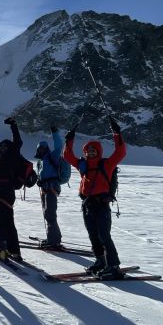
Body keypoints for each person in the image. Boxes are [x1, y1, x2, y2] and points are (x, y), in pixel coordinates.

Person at [63, 117, 126, 278]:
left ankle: (114, 266)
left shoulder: (107, 165)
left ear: (98, 151)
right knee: (93, 236)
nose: (90, 153)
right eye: (88, 151)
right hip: (87, 205)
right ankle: (100, 261)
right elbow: (67, 156)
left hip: (102, 205)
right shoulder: (83, 166)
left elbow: (120, 152)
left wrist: (116, 133)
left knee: (104, 236)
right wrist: (69, 139)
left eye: (93, 150)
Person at [0, 117, 23, 261]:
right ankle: (14, 251)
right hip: (4, 193)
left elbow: (18, 142)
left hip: (5, 193)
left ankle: (3, 249)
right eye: (1, 147)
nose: (1, 148)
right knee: (8, 222)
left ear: (9, 148)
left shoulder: (12, 156)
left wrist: (13, 125)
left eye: (4, 147)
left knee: (0, 220)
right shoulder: (0, 157)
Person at [34, 125, 64, 248]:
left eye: (43, 148)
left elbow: (59, 146)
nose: (41, 150)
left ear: (46, 148)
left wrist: (55, 133)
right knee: (47, 213)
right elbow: (42, 175)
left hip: (52, 189)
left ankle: (54, 241)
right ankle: (53, 237)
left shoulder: (53, 156)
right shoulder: (40, 162)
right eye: (39, 149)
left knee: (50, 214)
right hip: (44, 189)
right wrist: (39, 181)